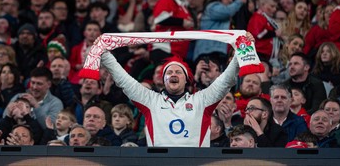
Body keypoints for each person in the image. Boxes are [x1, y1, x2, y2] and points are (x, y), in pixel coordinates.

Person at [98, 32, 255, 147]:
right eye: (169, 72)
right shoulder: (150, 100)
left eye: (178, 72)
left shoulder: (201, 100)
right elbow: (125, 81)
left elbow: (226, 80)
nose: (173, 74)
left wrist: (240, 51)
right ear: (163, 79)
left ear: (186, 79)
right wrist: (104, 54)